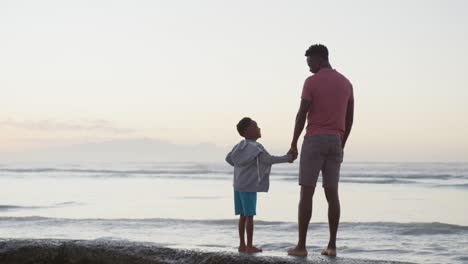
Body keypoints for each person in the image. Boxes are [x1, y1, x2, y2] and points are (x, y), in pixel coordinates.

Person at [287, 44, 354, 257]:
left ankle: (301, 246)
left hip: (314, 140)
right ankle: (332, 246)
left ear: (319, 58)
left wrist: (293, 143)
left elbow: (301, 114)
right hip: (336, 140)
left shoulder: (311, 82)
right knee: (332, 194)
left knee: (307, 192)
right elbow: (349, 118)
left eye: (310, 63)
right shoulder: (346, 83)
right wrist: (341, 143)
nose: (308, 68)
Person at [226, 117, 295, 253]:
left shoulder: (239, 146)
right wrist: (288, 158)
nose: (259, 128)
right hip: (249, 187)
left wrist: (241, 166)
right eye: (256, 126)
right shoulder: (256, 147)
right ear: (248, 131)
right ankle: (250, 246)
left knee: (242, 216)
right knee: (250, 216)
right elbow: (269, 160)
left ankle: (242, 245)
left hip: (238, 185)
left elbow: (228, 159)